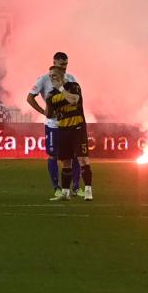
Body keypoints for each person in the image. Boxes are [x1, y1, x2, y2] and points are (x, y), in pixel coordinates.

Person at [25, 51, 94, 198]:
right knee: (53, 156)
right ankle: (57, 188)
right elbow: (30, 97)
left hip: (72, 124)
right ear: (55, 63)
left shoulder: (71, 79)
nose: (64, 67)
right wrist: (43, 112)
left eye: (66, 64)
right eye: (62, 65)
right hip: (53, 125)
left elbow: (76, 99)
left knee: (75, 155)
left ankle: (75, 187)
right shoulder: (43, 79)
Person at [42, 63, 89, 200]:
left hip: (75, 127)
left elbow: (73, 100)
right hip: (59, 127)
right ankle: (61, 191)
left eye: (54, 76)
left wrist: (61, 89)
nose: (51, 79)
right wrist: (48, 104)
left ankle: (80, 188)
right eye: (50, 76)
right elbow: (48, 113)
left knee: (79, 157)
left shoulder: (73, 86)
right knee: (61, 158)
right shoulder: (50, 93)